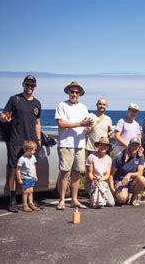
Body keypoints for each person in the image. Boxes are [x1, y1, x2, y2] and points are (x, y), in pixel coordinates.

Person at [0, 75, 42, 213]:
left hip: (32, 143)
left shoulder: (37, 103)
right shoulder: (15, 99)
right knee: (13, 169)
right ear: (23, 84)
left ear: (35, 87)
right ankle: (12, 200)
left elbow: (37, 122)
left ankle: (29, 200)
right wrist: (5, 118)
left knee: (30, 170)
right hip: (17, 141)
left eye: (32, 85)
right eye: (27, 85)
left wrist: (39, 140)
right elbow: (3, 115)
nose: (29, 87)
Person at [55, 81, 94, 210]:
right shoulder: (62, 105)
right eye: (72, 91)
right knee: (64, 172)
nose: (74, 94)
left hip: (80, 144)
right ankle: (61, 200)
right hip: (66, 144)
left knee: (77, 172)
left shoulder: (83, 107)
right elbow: (62, 124)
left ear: (80, 94)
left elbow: (86, 127)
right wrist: (80, 124)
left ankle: (74, 199)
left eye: (77, 92)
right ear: (68, 92)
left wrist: (89, 127)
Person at [110, 137, 145, 206]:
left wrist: (129, 174)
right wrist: (112, 189)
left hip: (131, 182)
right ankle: (123, 195)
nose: (134, 147)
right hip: (120, 182)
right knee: (122, 198)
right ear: (129, 145)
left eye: (136, 145)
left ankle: (133, 198)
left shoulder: (140, 156)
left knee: (142, 179)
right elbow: (111, 175)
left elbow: (140, 173)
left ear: (139, 147)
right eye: (133, 145)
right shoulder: (120, 156)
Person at [85, 137, 114, 208]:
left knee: (111, 203)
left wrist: (100, 180)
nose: (103, 147)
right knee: (97, 186)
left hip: (102, 182)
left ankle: (98, 198)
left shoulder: (109, 159)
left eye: (105, 145)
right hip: (92, 182)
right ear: (98, 146)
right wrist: (94, 179)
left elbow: (107, 175)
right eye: (101, 145)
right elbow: (90, 173)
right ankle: (94, 198)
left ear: (108, 147)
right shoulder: (91, 157)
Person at [16, 140, 40, 212]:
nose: (34, 152)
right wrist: (19, 179)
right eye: (33, 150)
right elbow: (18, 169)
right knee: (25, 192)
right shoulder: (22, 159)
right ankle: (24, 204)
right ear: (28, 150)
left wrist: (35, 175)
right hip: (25, 178)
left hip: (31, 177)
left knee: (31, 191)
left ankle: (31, 203)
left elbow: (34, 166)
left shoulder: (33, 157)